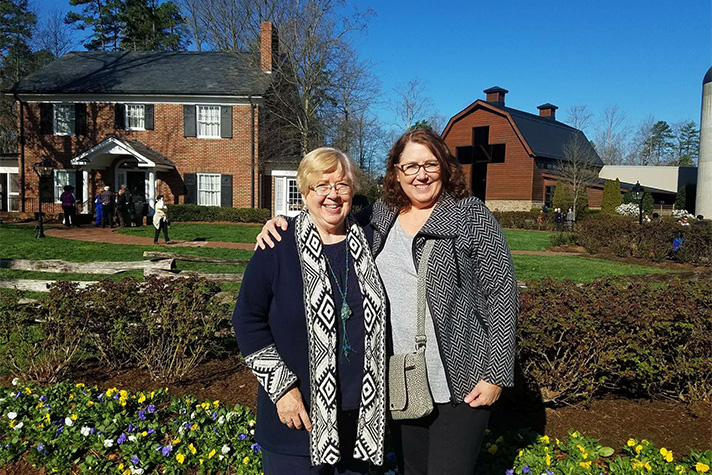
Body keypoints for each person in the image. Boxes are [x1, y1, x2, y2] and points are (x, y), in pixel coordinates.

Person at [257, 129, 519, 475]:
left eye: (429, 164)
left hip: (460, 381)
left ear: (445, 166)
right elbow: (331, 214)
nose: (420, 174)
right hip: (401, 380)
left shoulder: (470, 215)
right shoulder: (381, 216)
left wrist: (495, 374)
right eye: (410, 166)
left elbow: (502, 295)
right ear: (396, 172)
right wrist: (284, 224)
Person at [233, 147, 388, 475]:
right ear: (304, 191)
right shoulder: (277, 244)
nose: (333, 195)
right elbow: (247, 320)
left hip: (361, 424)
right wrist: (282, 389)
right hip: (297, 422)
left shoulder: (370, 238)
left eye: (342, 185)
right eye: (322, 185)